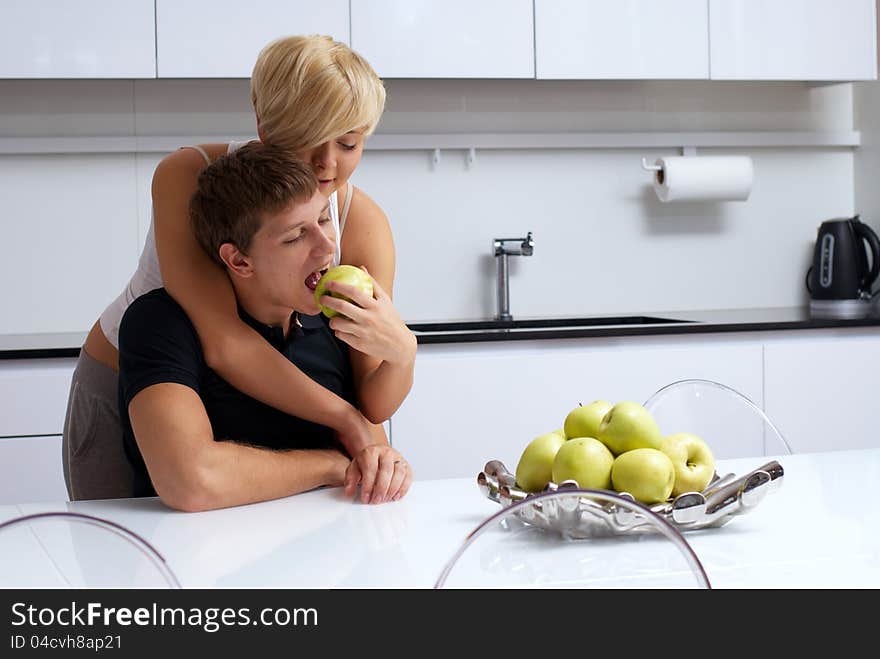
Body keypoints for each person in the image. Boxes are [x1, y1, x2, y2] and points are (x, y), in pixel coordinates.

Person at [61, 34, 416, 502]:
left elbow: (371, 393)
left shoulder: (361, 223)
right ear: (265, 128)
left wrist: (403, 352)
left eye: (349, 144)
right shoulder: (192, 178)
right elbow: (224, 340)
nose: (326, 166)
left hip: (272, 393)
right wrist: (348, 425)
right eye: (307, 140)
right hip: (142, 378)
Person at [118, 142, 412, 511]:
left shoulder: (334, 322)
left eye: (323, 220)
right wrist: (330, 466)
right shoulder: (159, 325)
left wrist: (385, 467)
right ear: (239, 261)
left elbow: (370, 449)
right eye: (295, 236)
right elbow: (191, 479)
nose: (326, 248)